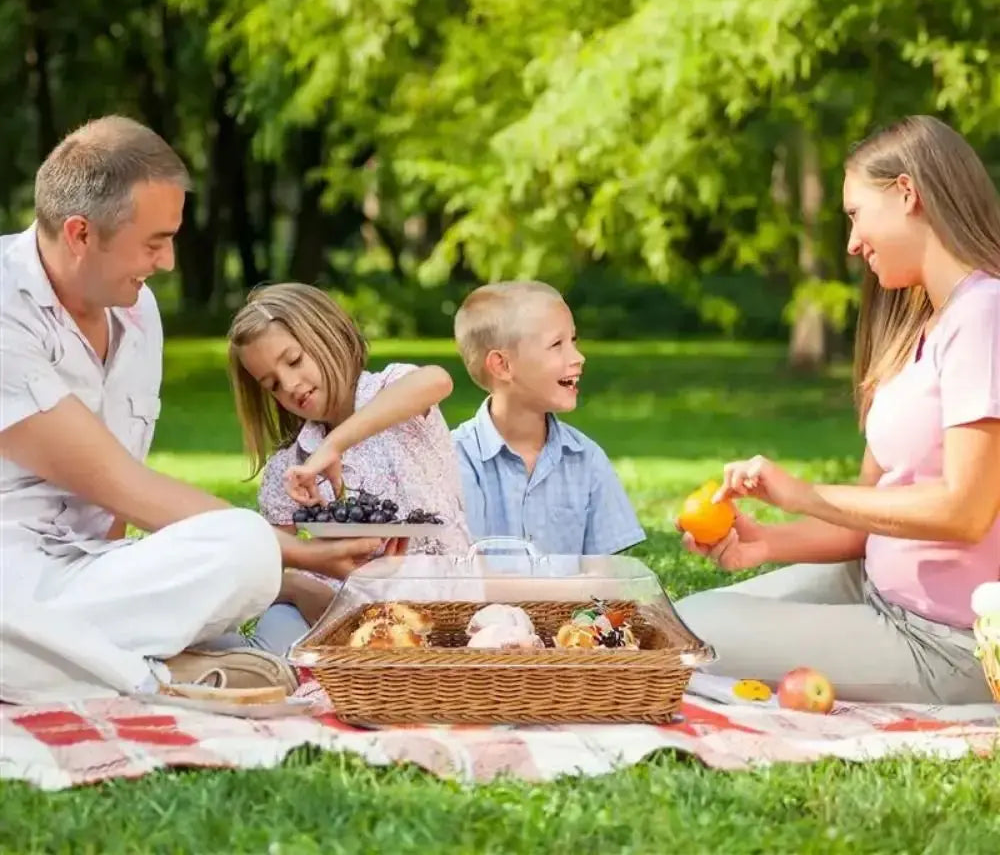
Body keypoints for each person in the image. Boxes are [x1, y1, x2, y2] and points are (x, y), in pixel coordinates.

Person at [0, 116, 383, 704]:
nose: (170, 262)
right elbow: (122, 484)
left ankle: (120, 658)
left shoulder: (135, 312)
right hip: (12, 577)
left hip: (88, 575)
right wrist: (303, 557)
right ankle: (157, 673)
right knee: (254, 546)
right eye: (154, 241)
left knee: (238, 550)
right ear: (80, 234)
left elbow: (111, 516)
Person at [676, 115, 1000, 704]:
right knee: (672, 621)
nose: (851, 243)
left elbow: (966, 511)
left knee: (674, 644)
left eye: (855, 214)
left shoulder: (987, 315)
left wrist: (801, 492)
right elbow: (872, 516)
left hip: (947, 641)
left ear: (907, 194)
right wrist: (766, 541)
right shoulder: (926, 326)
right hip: (872, 586)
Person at [205, 282, 471, 656]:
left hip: (440, 601)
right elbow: (269, 566)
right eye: (273, 385)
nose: (291, 385)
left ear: (329, 334)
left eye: (295, 361)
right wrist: (300, 586)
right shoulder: (292, 467)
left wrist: (334, 445)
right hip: (335, 613)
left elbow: (437, 380)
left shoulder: (395, 394)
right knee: (268, 645)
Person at [451, 280, 645, 556]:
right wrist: (569, 589)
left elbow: (605, 578)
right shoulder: (455, 460)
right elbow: (468, 578)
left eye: (573, 340)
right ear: (502, 365)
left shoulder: (587, 459)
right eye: (557, 344)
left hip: (574, 602)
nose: (578, 357)